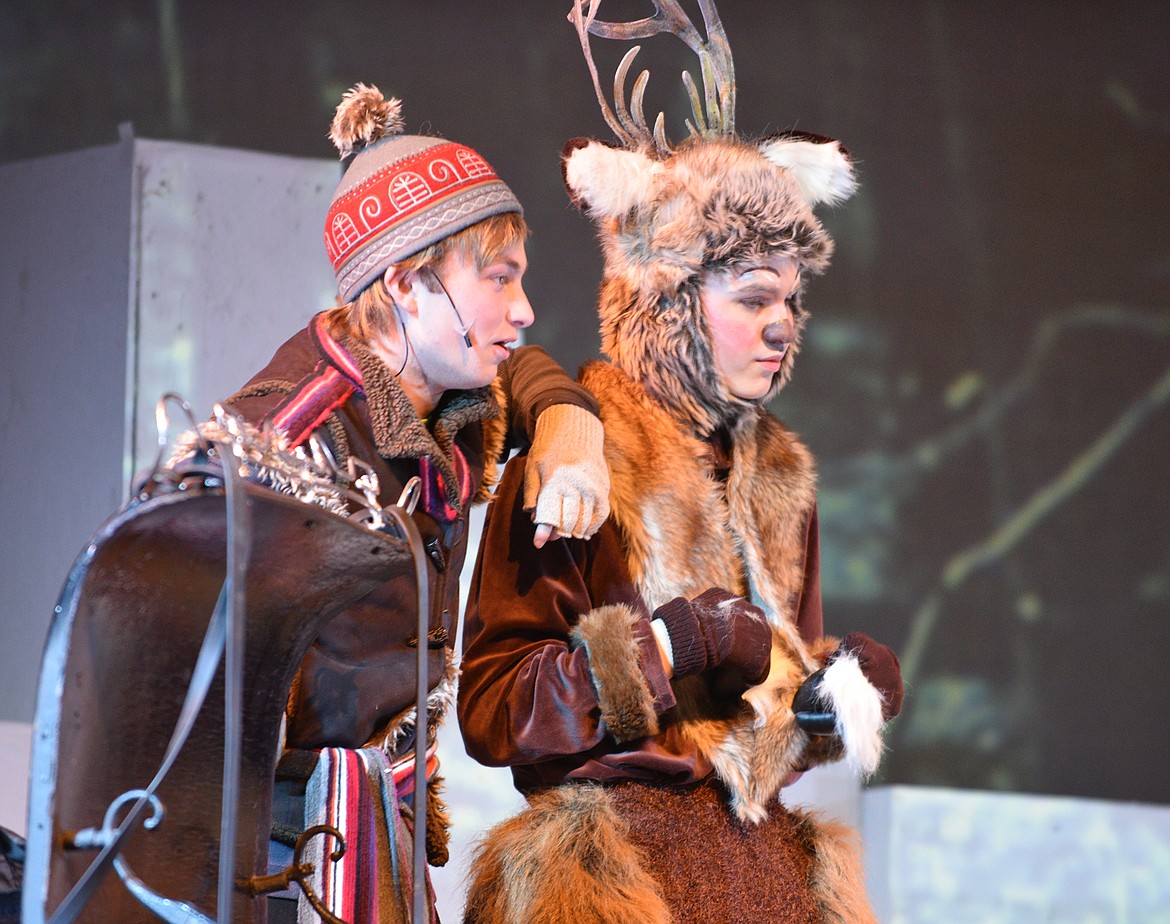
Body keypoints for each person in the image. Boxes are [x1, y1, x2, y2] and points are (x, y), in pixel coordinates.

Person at [456, 4, 904, 922]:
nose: (782, 323)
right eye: (750, 295)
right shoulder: (580, 450)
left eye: (790, 297)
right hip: (614, 866)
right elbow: (496, 706)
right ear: (669, 300)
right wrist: (671, 644)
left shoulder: (779, 475)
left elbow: (762, 724)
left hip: (761, 876)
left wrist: (826, 697)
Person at [212, 83, 609, 923]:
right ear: (403, 281)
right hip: (274, 857)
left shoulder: (454, 417)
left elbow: (530, 365)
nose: (522, 307)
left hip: (373, 837)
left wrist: (572, 424)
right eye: (497, 279)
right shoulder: (284, 442)